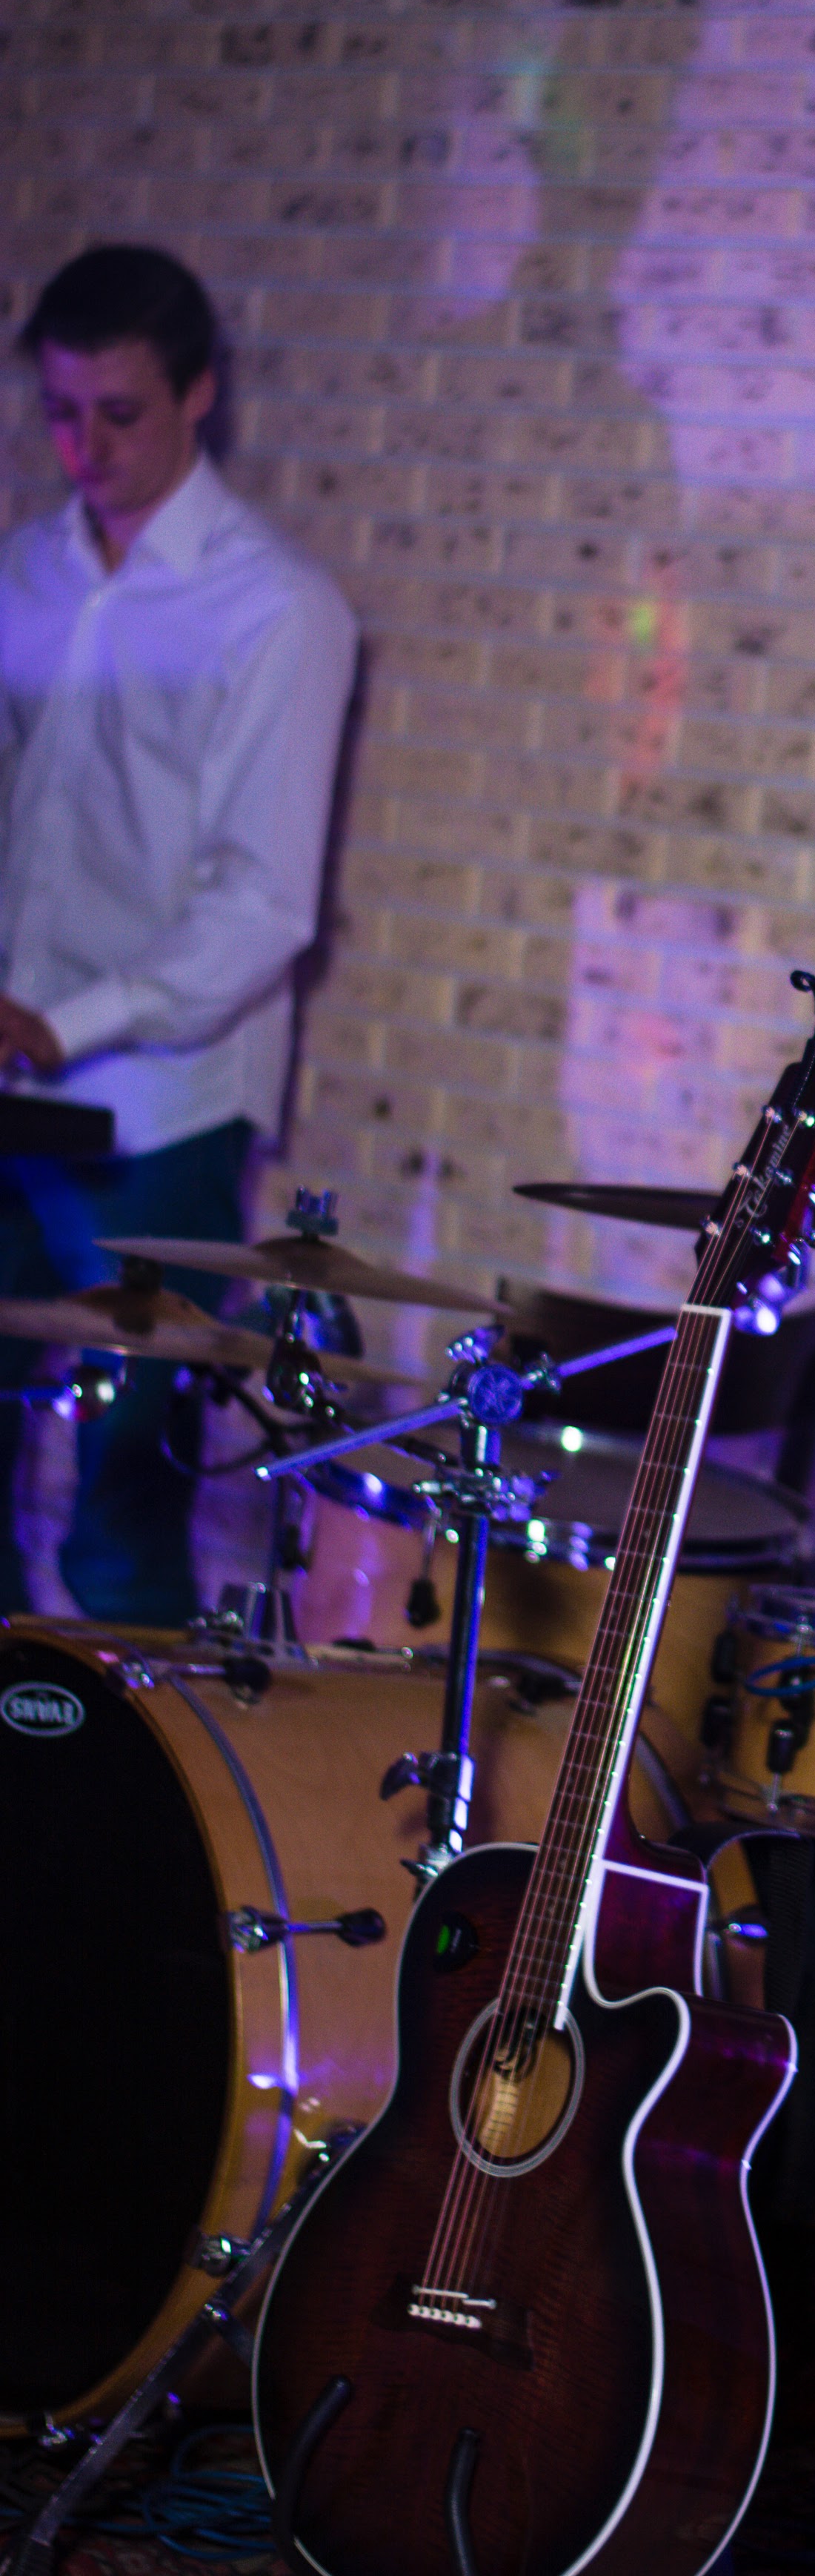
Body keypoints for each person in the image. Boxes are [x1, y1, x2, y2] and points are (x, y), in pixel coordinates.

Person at [0, 245, 356, 1622]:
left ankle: (133, 1766)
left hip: (159, 1110)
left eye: (120, 414)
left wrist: (63, 1024)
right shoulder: (23, 574)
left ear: (199, 393)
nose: (85, 449)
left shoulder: (278, 607)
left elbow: (264, 904)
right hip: (10, 1091)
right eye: (60, 413)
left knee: (119, 1521)